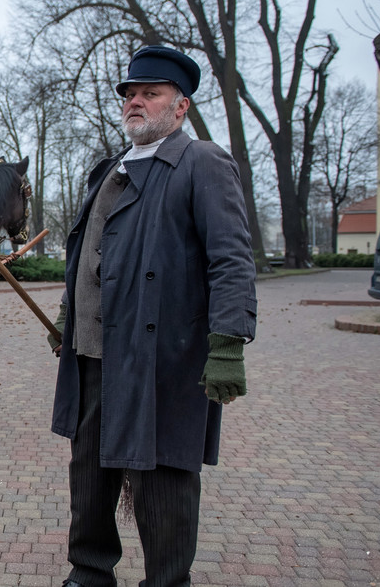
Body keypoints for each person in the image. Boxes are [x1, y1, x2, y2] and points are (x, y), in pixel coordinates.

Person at [48, 46, 257, 587]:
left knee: (163, 478)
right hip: (93, 354)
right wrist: (70, 314)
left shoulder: (201, 162)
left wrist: (228, 342)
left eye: (151, 94)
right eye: (131, 94)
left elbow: (231, 259)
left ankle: (167, 581)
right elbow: (89, 253)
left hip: (161, 358)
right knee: (90, 474)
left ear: (181, 105)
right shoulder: (108, 168)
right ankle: (90, 572)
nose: (136, 102)